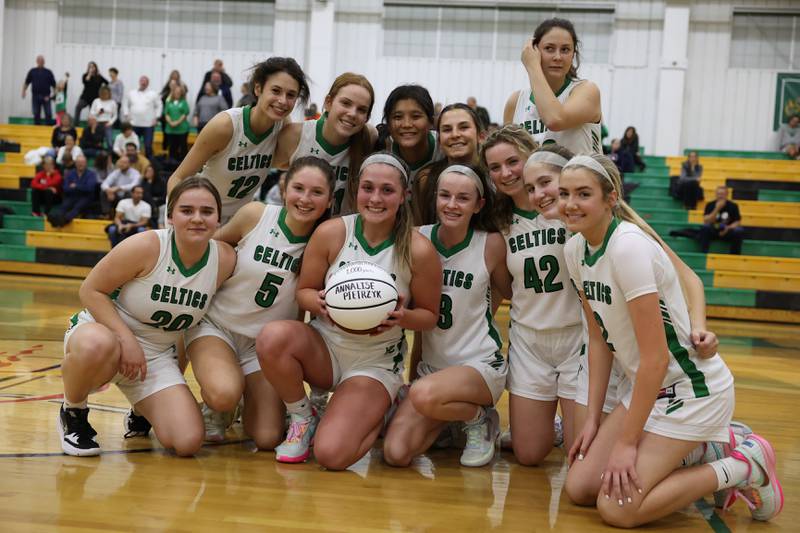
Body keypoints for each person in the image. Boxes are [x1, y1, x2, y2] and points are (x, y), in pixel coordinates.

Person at [559, 154, 782, 526]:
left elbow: (657, 360)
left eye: (583, 194)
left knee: (617, 508)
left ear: (610, 198)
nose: (570, 203)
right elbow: (599, 341)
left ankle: (745, 464)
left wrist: (627, 444)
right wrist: (594, 420)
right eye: (565, 193)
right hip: (650, 389)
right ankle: (708, 448)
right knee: (580, 487)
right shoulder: (575, 250)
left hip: (691, 389)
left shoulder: (628, 247)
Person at [255, 152, 442, 468]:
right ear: (356, 189)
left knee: (332, 455)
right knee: (273, 337)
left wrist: (403, 317)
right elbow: (304, 292)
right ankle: (303, 416)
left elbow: (429, 316)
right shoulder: (332, 232)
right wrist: (321, 303)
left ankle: (380, 407)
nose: (376, 198)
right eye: (368, 188)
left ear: (404, 195)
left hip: (374, 362)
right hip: (325, 348)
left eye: (387, 190)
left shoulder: (418, 249)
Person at [57, 176, 236, 456]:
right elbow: (91, 290)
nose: (197, 219)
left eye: (207, 212)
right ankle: (74, 413)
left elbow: (189, 326)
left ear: (218, 220)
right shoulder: (147, 246)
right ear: (170, 217)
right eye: (187, 211)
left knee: (187, 442)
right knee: (97, 345)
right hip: (105, 335)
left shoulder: (224, 260)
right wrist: (125, 339)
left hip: (154, 357)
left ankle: (140, 409)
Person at [185, 157, 334, 443]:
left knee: (266, 437)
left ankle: (242, 398)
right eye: (298, 188)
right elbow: (212, 247)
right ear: (284, 187)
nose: (305, 199)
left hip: (263, 347)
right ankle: (219, 405)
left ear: (329, 200)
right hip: (218, 328)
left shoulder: (325, 241)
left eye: (316, 193)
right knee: (223, 393)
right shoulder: (256, 215)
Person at [383, 164, 511, 468]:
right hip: (433, 370)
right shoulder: (416, 239)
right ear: (435, 199)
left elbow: (511, 293)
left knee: (424, 395)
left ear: (478, 205)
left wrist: (481, 314)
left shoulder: (490, 244)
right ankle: (452, 419)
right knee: (396, 452)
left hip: (479, 364)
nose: (452, 205)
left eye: (463, 198)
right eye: (445, 196)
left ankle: (479, 419)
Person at [169, 57, 309, 225]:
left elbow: (282, 164)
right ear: (258, 89)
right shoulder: (225, 126)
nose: (282, 101)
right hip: (202, 215)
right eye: (276, 91)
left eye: (291, 95)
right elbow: (177, 178)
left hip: (238, 222)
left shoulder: (283, 126)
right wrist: (176, 215)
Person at [273, 72, 377, 216]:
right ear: (328, 102)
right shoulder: (294, 135)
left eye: (361, 110)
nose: (352, 113)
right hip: (299, 231)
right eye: (346, 103)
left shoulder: (369, 138)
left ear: (367, 117)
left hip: (343, 234)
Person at [503, 18, 602, 155]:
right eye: (549, 48)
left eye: (565, 50)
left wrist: (532, 66)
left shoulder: (587, 90)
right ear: (535, 50)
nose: (557, 57)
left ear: (573, 54)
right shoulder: (515, 102)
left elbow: (555, 120)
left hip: (581, 176)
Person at [414, 103, 485, 225]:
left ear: (481, 136)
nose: (455, 135)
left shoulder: (496, 176)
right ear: (439, 141)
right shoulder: (425, 179)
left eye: (463, 127)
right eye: (447, 129)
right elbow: (419, 230)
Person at [380, 85, 442, 186]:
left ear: (431, 121)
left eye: (416, 116)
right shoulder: (380, 149)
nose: (406, 124)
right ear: (389, 124)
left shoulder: (443, 148)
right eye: (398, 117)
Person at [49, 155, 98, 227]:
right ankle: (56, 219)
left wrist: (76, 186)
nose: (80, 164)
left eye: (82, 162)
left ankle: (63, 220)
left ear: (86, 163)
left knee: (77, 207)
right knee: (64, 206)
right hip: (72, 196)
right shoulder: (70, 173)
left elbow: (90, 188)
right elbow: (65, 188)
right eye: (78, 162)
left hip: (85, 197)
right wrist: (80, 187)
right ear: (75, 163)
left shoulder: (91, 174)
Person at [123, 76, 162, 159]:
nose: (143, 83)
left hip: (148, 125)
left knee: (148, 146)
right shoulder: (131, 93)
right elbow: (125, 104)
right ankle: (132, 162)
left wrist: (157, 117)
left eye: (145, 81)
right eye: (142, 81)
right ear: (139, 82)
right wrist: (126, 114)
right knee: (132, 146)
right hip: (134, 124)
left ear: (148, 83)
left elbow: (159, 105)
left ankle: (149, 164)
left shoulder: (153, 94)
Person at [699, 186, 744, 255]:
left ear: (726, 195)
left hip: (727, 230)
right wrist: (717, 209)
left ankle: (734, 255)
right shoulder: (710, 205)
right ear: (716, 194)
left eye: (722, 194)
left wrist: (728, 228)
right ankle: (703, 253)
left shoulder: (733, 205)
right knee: (705, 228)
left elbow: (737, 222)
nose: (720, 196)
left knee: (739, 231)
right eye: (718, 194)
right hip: (714, 229)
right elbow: (706, 221)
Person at [22, 55, 56, 125]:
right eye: (39, 60)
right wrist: (23, 91)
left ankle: (48, 130)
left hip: (46, 96)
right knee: (36, 113)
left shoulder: (48, 72)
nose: (41, 62)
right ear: (37, 61)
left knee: (48, 113)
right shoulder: (32, 71)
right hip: (35, 96)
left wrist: (54, 96)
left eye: (42, 60)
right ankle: (36, 129)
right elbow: (27, 82)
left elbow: (54, 85)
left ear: (44, 62)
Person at [163, 84, 190, 162]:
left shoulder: (184, 102)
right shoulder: (168, 102)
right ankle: (172, 164)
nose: (177, 93)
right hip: (170, 129)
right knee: (172, 147)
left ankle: (183, 163)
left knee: (183, 147)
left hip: (182, 129)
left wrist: (177, 122)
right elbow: (166, 113)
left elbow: (185, 114)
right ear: (173, 92)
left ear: (182, 93)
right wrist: (171, 122)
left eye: (179, 92)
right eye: (176, 92)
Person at [90, 86, 118, 150]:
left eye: (106, 94)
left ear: (109, 94)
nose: (104, 95)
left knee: (109, 143)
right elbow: (91, 113)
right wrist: (98, 112)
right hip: (97, 123)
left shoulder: (112, 102)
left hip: (107, 124)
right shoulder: (96, 101)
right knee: (97, 142)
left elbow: (115, 115)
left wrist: (110, 122)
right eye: (103, 94)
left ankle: (110, 156)